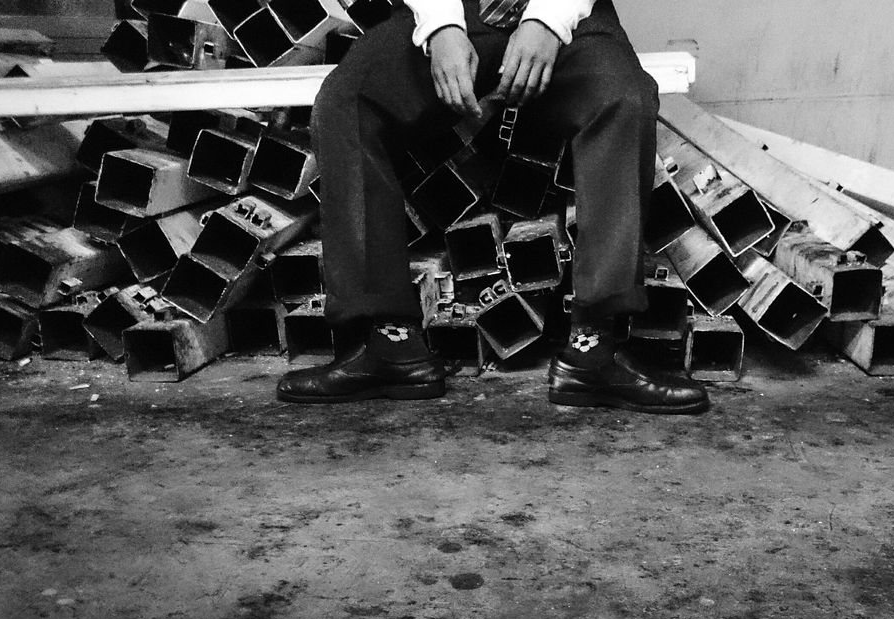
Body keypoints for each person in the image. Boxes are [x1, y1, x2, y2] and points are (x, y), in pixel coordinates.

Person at [275, 0, 710, 415]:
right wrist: (442, 26)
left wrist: (547, 20)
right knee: (347, 102)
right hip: (455, 9)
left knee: (624, 98)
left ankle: (593, 350)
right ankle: (391, 344)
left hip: (568, 15)